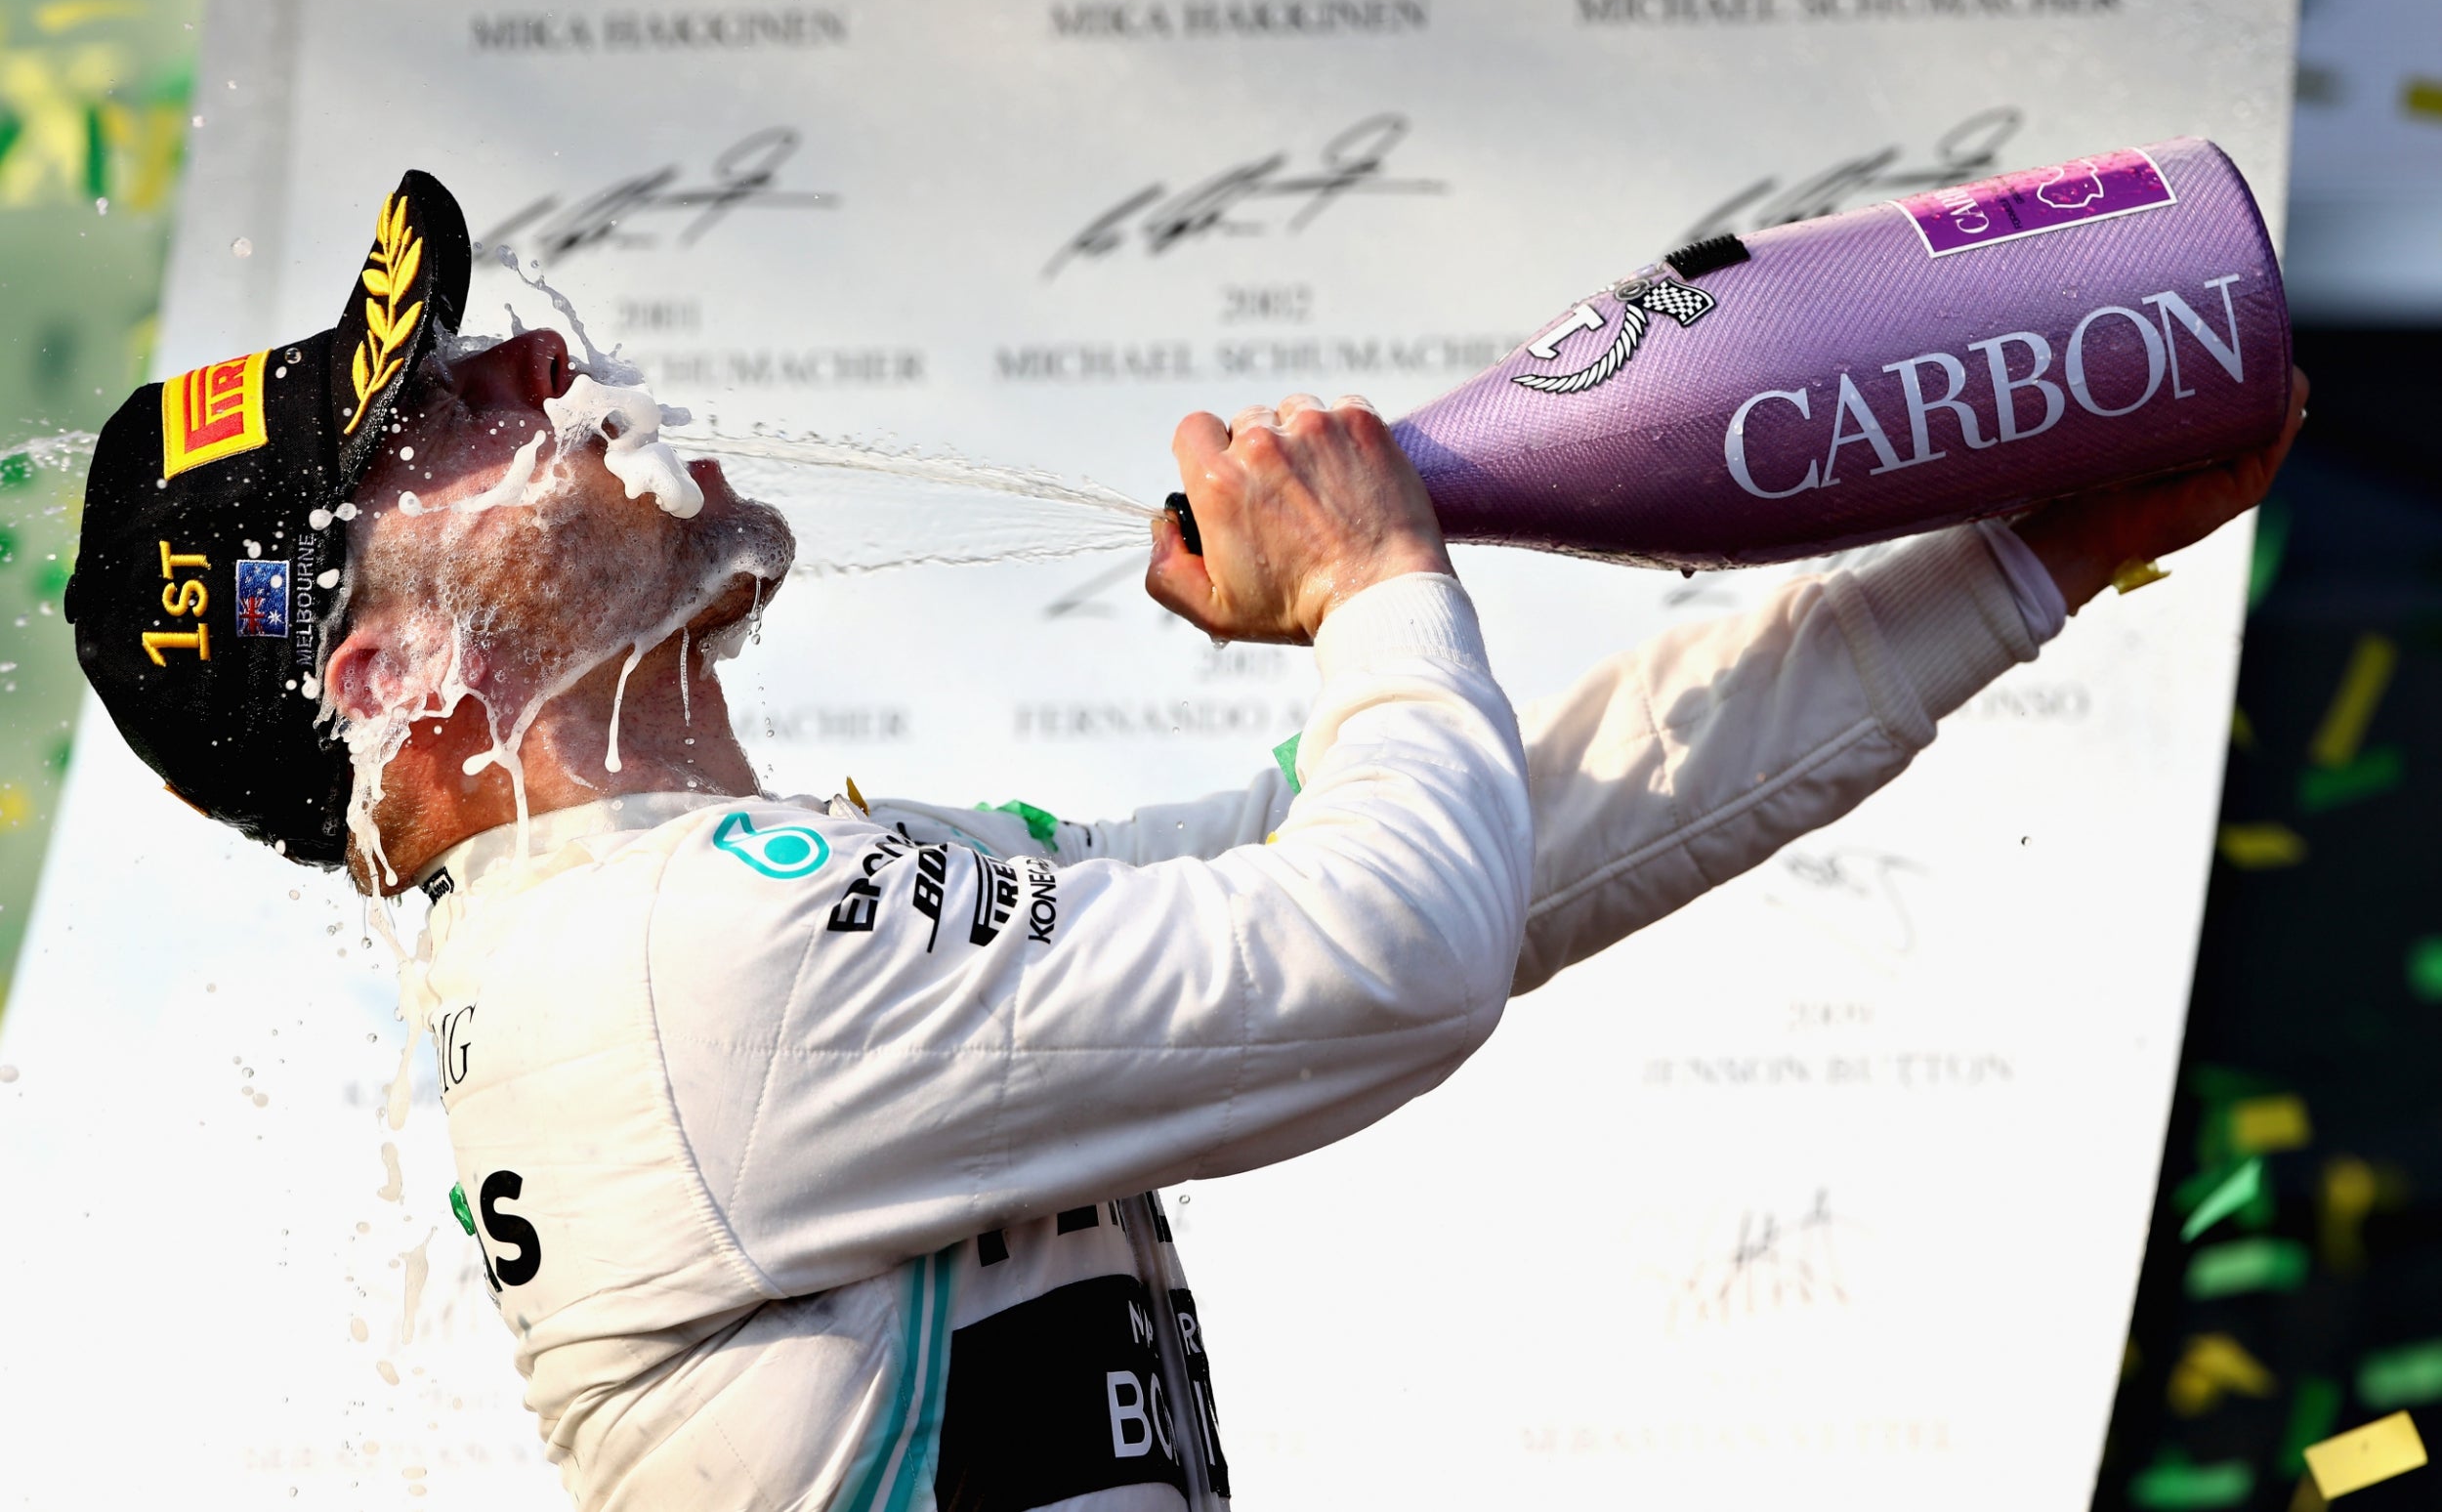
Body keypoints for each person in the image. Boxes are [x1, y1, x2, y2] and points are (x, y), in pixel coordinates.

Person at [68, 173, 2302, 1512]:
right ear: (376, 679)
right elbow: (1390, 953)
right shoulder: (686, 974)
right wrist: (1362, 588)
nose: (541, 359)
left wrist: (2013, 564)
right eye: (440, 420)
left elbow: (1474, 860)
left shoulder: (666, 935)